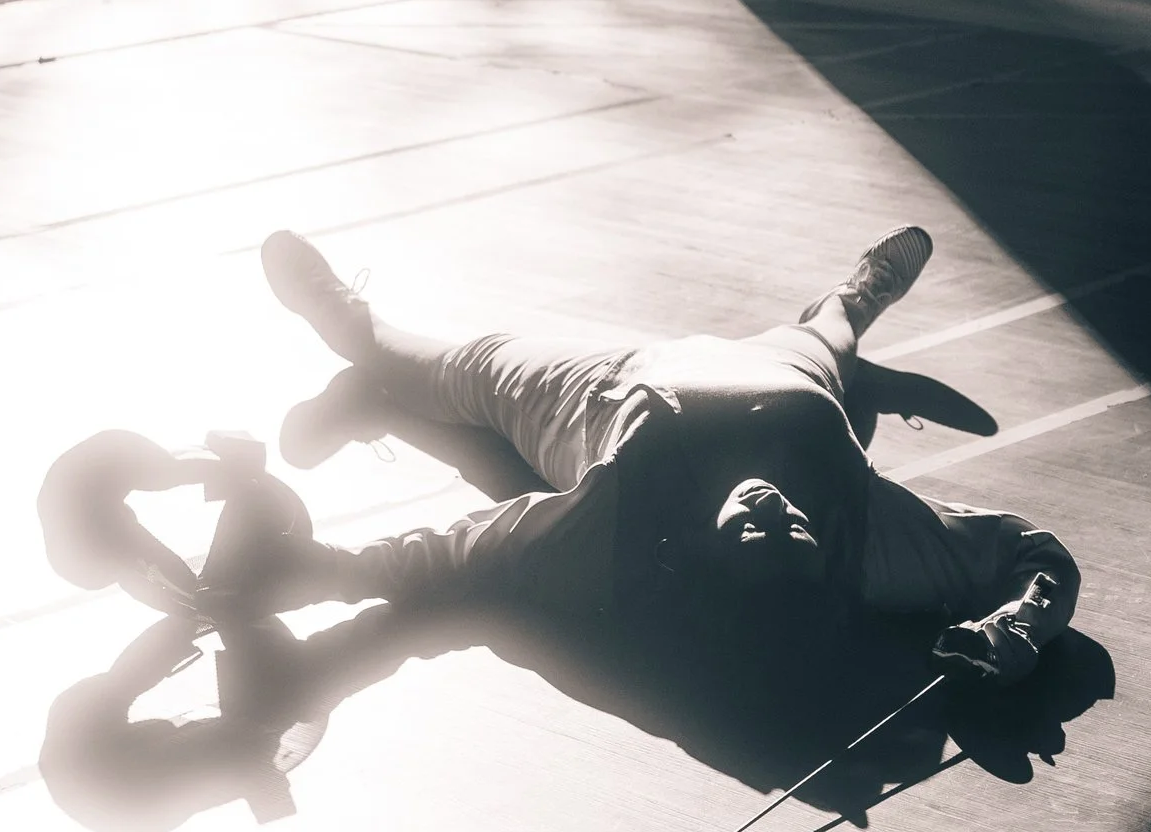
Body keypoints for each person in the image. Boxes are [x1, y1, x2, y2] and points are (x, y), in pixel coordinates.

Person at [244, 222, 1080, 670]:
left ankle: (345, 335)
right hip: (792, 372)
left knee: (440, 363)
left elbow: (461, 553)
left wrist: (324, 572)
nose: (776, 510)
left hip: (601, 387)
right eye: (798, 529)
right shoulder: (867, 543)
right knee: (837, 329)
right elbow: (1034, 553)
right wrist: (1023, 624)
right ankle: (856, 296)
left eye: (755, 534)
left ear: (705, 556)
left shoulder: (613, 527)